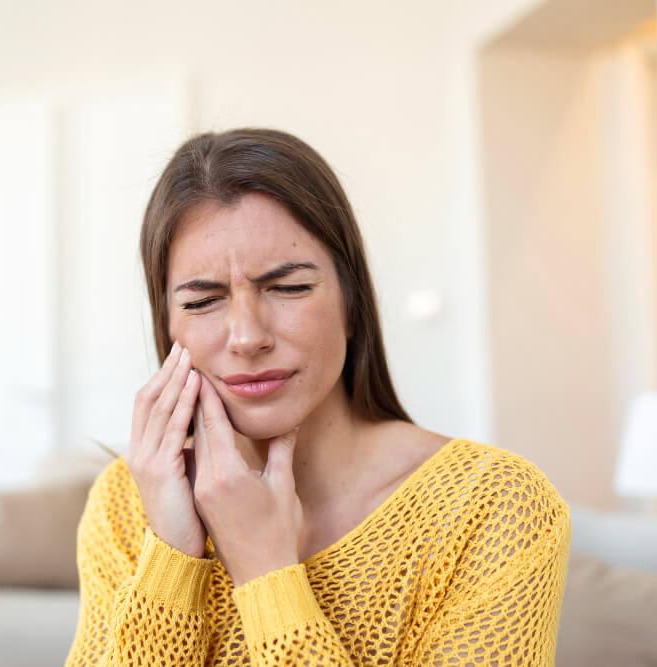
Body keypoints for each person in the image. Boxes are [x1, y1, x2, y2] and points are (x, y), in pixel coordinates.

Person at [64, 128, 571, 666]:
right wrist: (170, 557)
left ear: (352, 304)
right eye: (204, 300)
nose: (247, 336)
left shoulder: (495, 506)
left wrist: (266, 571)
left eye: (289, 288)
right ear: (168, 328)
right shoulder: (125, 503)